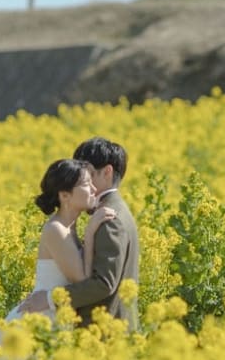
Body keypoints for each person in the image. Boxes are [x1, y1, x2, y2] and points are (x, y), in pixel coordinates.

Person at [0, 158, 114, 360]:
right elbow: (83, 279)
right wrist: (92, 230)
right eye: (86, 184)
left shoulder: (68, 227)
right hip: (41, 317)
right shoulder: (56, 229)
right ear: (65, 195)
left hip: (53, 312)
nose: (94, 189)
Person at [18, 137, 139, 331]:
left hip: (104, 330)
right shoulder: (104, 213)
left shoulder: (110, 218)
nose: (85, 180)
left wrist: (49, 298)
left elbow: (102, 284)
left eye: (89, 173)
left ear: (107, 172)